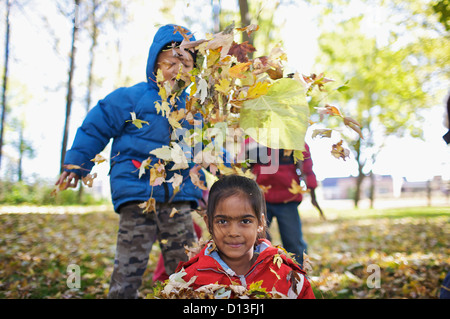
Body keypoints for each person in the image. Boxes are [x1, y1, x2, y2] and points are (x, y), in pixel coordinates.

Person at [55, 24, 204, 299]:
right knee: (128, 267)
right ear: (155, 62)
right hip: (137, 193)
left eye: (186, 64)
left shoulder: (192, 110)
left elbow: (198, 154)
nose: (178, 70)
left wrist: (201, 191)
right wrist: (77, 162)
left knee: (186, 271)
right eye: (172, 61)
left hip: (178, 199)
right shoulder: (131, 98)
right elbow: (95, 127)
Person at [174, 174, 315, 299]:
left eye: (245, 221)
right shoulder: (188, 281)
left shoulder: (290, 279)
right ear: (209, 223)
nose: (234, 232)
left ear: (260, 223)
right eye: (222, 221)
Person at [244, 138, 322, 266]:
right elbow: (243, 169)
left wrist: (312, 193)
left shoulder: (294, 139)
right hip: (259, 200)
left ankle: (299, 273)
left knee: (293, 241)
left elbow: (306, 169)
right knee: (258, 241)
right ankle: (258, 273)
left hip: (288, 200)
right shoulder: (253, 140)